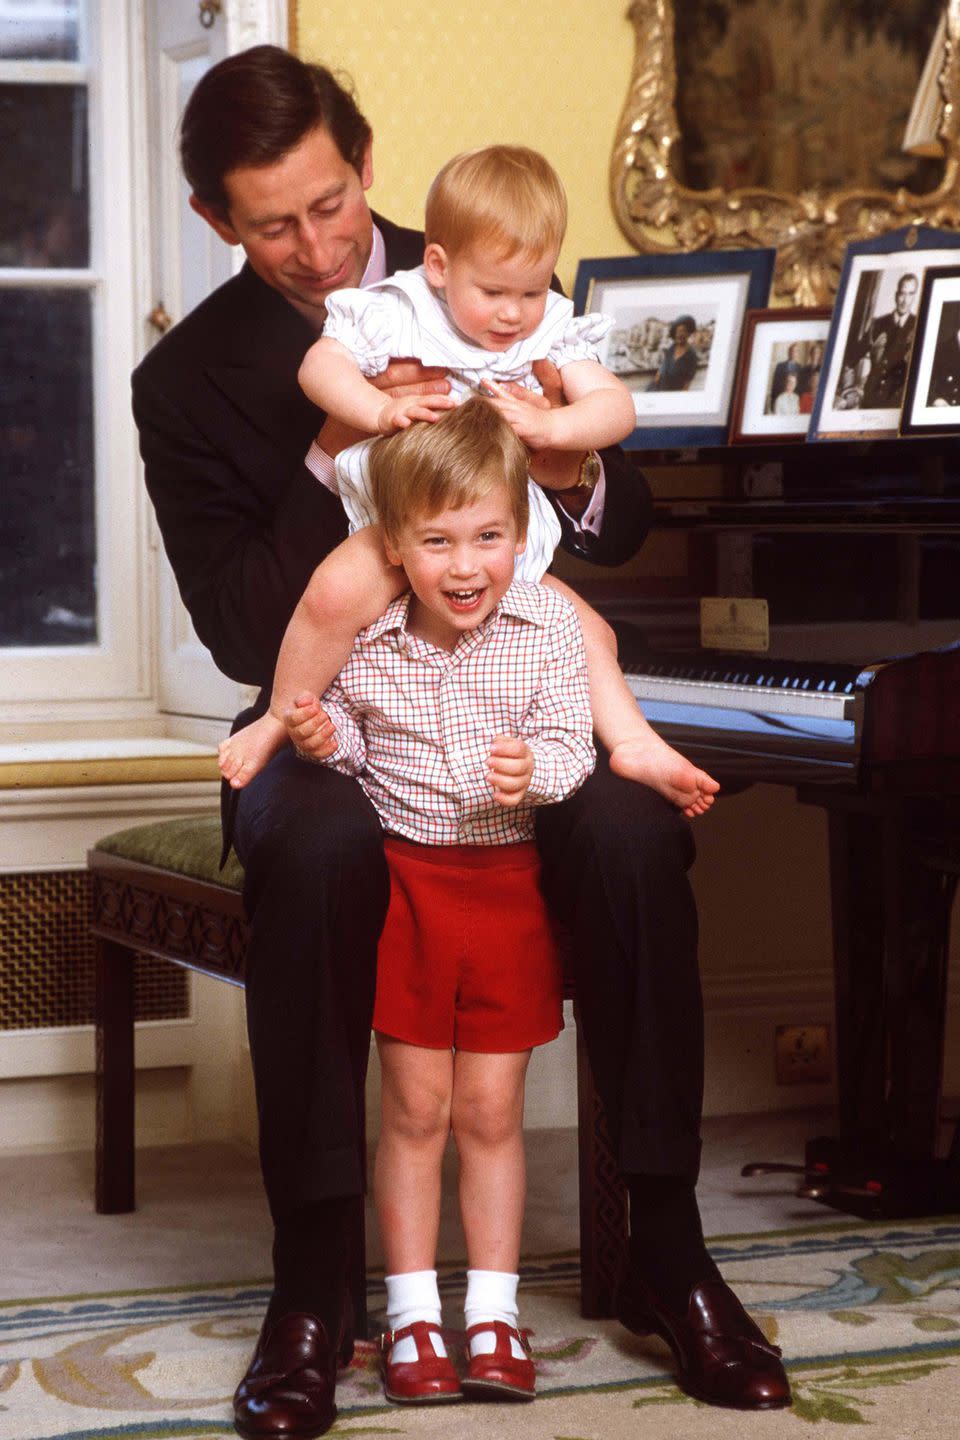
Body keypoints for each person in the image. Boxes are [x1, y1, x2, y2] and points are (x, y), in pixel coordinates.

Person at [131, 45, 790, 1440]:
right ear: (216, 226)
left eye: (328, 205)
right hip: (341, 698)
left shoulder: (486, 270)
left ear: (364, 167)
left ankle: (667, 1249)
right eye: (270, 225)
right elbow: (256, 633)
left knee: (625, 827)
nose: (313, 248)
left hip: (519, 687)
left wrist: (551, 451)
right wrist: (365, 447)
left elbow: (628, 518)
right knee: (310, 842)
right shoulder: (189, 383)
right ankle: (318, 1280)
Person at [306, 398, 595, 1405]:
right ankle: (415, 1316)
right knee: (418, 1109)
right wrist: (319, 739)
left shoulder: (548, 626)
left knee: (488, 1109)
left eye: (488, 537)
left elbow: (575, 742)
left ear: (521, 535)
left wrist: (537, 772)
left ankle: (494, 1314)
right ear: (392, 546)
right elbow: (347, 731)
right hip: (409, 893)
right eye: (436, 542)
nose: (466, 566)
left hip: (504, 889)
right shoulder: (375, 636)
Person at [216, 143, 639, 791]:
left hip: (497, 540)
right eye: (494, 292)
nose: (512, 313)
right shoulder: (397, 309)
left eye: (530, 291)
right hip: (401, 532)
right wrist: (373, 411)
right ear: (439, 266)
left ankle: (635, 742)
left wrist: (556, 428)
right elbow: (320, 368)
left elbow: (615, 407)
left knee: (591, 632)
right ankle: (279, 713)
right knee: (332, 596)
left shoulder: (544, 324)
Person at [646, 313, 699, 392]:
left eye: (683, 331)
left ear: (688, 333)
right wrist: (656, 380)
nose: (679, 334)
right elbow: (663, 367)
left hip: (674, 391)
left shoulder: (692, 355)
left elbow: (687, 383)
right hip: (659, 388)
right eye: (677, 332)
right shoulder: (672, 348)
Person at [769, 341, 802, 407]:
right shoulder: (780, 365)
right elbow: (775, 383)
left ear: (797, 354)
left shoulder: (800, 367)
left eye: (795, 351)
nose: (793, 353)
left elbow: (800, 386)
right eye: (791, 351)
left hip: (793, 400)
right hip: (780, 397)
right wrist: (773, 399)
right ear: (788, 352)